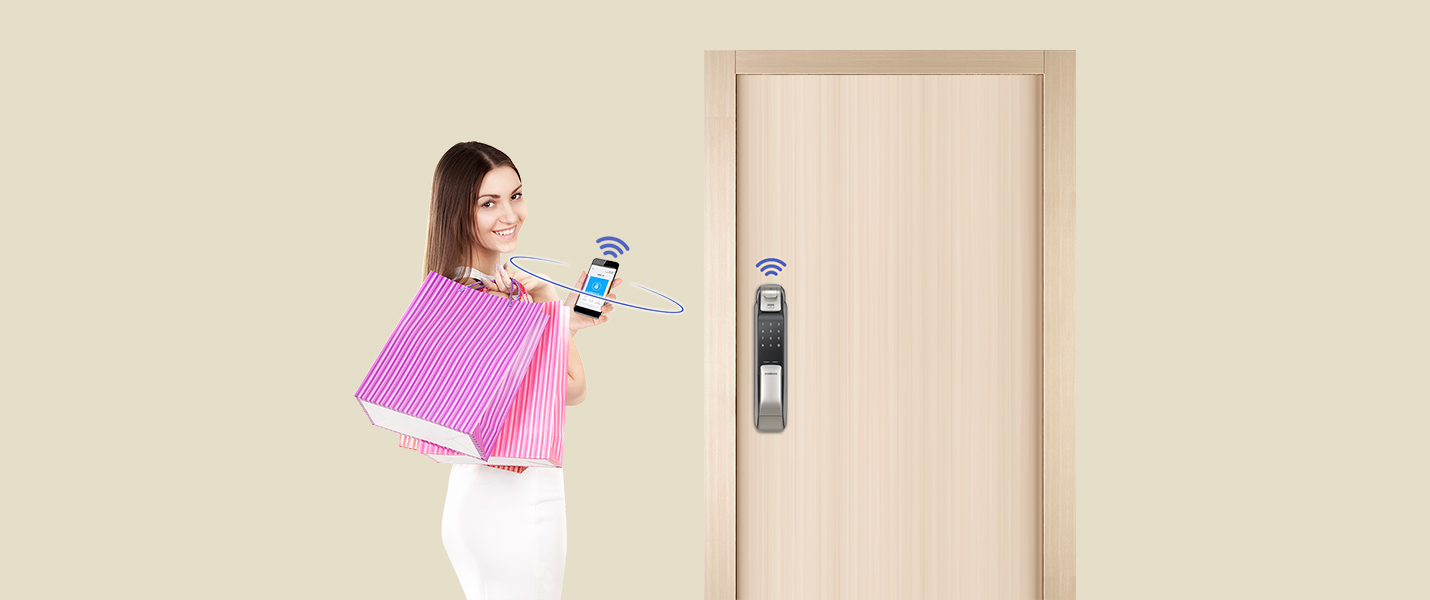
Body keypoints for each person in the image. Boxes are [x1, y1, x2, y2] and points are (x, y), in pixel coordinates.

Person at [421, 141, 619, 599]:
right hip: (514, 504)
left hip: (481, 496)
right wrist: (552, 311)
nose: (509, 214)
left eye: (515, 195)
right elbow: (572, 388)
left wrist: (562, 322)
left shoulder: (465, 289)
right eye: (488, 203)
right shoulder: (491, 300)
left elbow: (528, 387)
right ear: (458, 213)